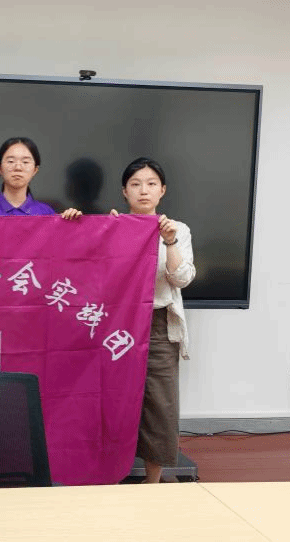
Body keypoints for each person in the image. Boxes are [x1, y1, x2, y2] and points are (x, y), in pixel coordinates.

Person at [112, 157, 195, 483]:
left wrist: (169, 241)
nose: (143, 190)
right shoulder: (113, 226)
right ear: (125, 191)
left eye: (150, 184)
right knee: (113, 395)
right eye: (135, 184)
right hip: (118, 323)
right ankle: (110, 471)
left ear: (162, 190)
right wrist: (109, 234)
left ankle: (153, 480)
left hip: (158, 322)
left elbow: (182, 278)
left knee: (160, 400)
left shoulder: (178, 230)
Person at [0, 137, 81, 221]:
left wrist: (71, 223)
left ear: (35, 170)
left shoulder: (46, 213)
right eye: (11, 161)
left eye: (25, 162)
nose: (18, 167)